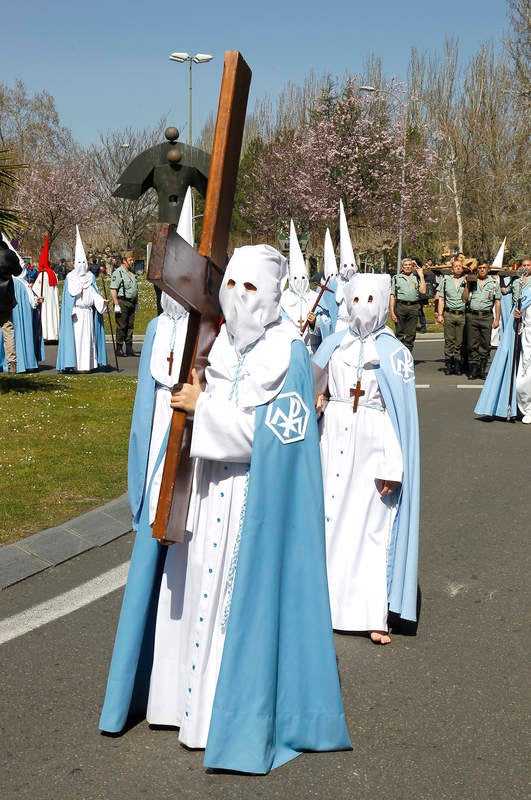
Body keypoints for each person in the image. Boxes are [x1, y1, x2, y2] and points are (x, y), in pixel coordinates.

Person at [99, 244, 351, 774]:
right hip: (206, 487)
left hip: (253, 499)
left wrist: (205, 409)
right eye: (232, 284)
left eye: (252, 287)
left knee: (234, 603)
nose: (239, 297)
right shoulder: (214, 343)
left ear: (274, 295)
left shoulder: (289, 353)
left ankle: (225, 715)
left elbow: (279, 440)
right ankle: (180, 707)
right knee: (192, 591)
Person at [313, 273, 420, 645]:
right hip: (332, 439)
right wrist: (319, 397)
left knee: (371, 525)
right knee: (328, 520)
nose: (362, 308)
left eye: (370, 300)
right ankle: (322, 606)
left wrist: (393, 465)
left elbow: (400, 417)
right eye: (355, 300)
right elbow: (312, 383)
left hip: (374, 444)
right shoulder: (333, 344)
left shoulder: (395, 353)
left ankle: (370, 613)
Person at [474, 258, 531, 422]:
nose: (526, 268)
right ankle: (522, 407)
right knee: (522, 372)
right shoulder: (517, 282)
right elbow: (506, 293)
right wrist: (517, 314)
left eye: (528, 265)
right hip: (522, 329)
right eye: (524, 265)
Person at [56, 226, 108, 372]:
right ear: (75, 263)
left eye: (83, 262)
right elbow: (68, 298)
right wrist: (71, 309)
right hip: (76, 314)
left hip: (87, 313)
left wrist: (101, 302)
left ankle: (87, 365)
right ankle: (74, 364)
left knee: (87, 339)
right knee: (76, 338)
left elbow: (94, 294)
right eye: (79, 262)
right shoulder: (70, 277)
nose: (81, 265)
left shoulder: (90, 277)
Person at [280, 219, 322, 353]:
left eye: (303, 278)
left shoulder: (316, 298)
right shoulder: (283, 299)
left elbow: (326, 326)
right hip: (290, 350)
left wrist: (314, 323)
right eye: (295, 278)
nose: (300, 281)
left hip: (312, 349)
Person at [464, 261, 501, 380]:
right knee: (472, 344)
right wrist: (467, 285)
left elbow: (497, 302)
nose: (482, 270)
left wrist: (497, 320)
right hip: (472, 316)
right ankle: (473, 369)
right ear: (477, 269)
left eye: (484, 268)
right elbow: (464, 299)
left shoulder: (494, 283)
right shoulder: (472, 281)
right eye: (480, 268)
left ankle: (482, 369)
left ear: (488, 269)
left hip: (486, 317)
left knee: (485, 344)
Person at [435, 255, 468, 374]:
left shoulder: (466, 280)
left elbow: (467, 298)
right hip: (449, 314)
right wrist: (440, 314)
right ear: (452, 269)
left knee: (459, 342)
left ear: (462, 268)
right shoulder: (445, 280)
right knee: (449, 341)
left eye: (460, 266)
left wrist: (467, 284)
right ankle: (449, 364)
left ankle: (457, 364)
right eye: (456, 266)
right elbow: (441, 299)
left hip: (462, 314)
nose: (458, 268)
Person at [389, 257, 427, 353]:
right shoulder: (396, 278)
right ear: (402, 267)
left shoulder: (417, 277)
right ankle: (399, 353)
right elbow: (392, 296)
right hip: (400, 307)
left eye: (410, 265)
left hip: (414, 307)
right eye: (405, 265)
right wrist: (392, 312)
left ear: (412, 267)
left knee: (411, 333)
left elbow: (423, 291)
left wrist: (421, 276)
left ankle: (408, 353)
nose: (408, 267)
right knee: (400, 332)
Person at [0, 238, 23, 373]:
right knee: (8, 332)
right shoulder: (9, 254)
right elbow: (18, 271)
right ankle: (12, 364)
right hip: (5, 299)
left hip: (5, 299)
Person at [110, 251, 139, 356]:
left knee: (130, 326)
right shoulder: (118, 273)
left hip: (131, 302)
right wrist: (116, 304)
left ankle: (129, 348)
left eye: (133, 260)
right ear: (124, 260)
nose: (132, 262)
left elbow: (135, 289)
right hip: (122, 302)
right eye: (130, 260)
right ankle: (119, 348)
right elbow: (113, 289)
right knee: (122, 326)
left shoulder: (132, 273)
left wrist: (136, 302)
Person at [35, 233, 60, 342]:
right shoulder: (53, 273)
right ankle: (53, 335)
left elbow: (35, 290)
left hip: (44, 301)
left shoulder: (42, 275)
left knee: (45, 316)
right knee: (52, 315)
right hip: (52, 302)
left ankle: (45, 335)